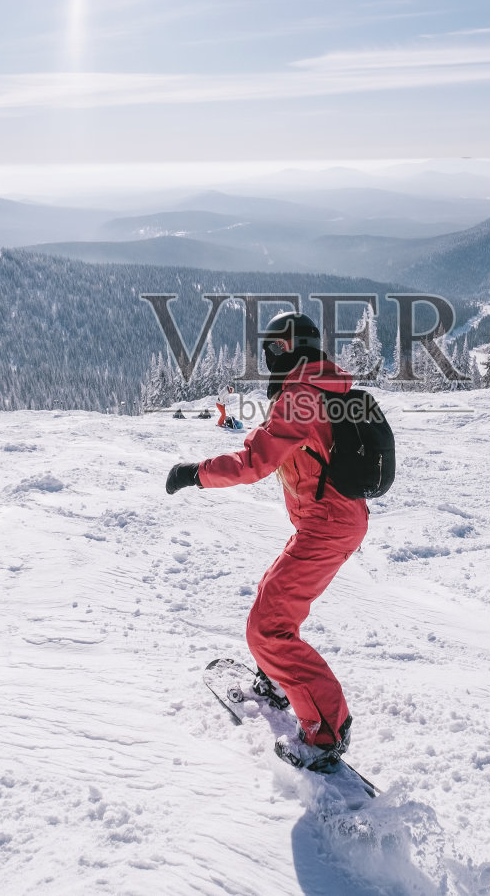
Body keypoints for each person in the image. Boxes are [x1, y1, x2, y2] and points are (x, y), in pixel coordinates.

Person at [165, 312, 365, 767]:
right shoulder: (318, 386)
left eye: (275, 349)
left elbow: (255, 460)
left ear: (295, 348)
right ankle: (278, 679)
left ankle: (326, 732)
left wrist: (195, 474)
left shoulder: (302, 394)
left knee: (267, 628)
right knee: (270, 601)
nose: (269, 358)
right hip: (328, 520)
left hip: (328, 525)